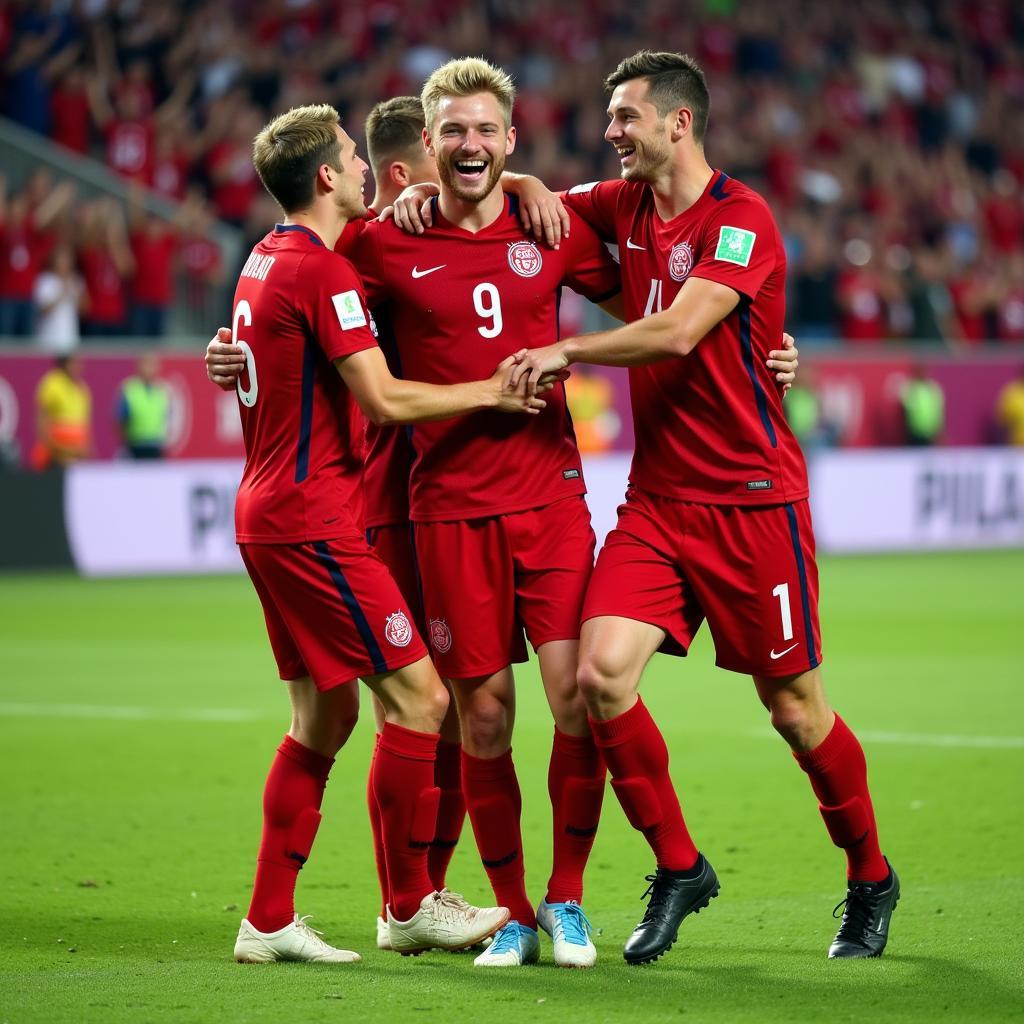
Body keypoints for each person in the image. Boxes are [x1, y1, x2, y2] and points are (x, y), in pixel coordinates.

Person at [503, 51, 898, 965]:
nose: (613, 132)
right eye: (610, 118)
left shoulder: (741, 218)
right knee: (600, 679)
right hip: (658, 503)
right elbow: (545, 210)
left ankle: (870, 877)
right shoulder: (621, 204)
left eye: (627, 117)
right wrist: (517, 173)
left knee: (796, 711)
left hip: (754, 503)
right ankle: (679, 866)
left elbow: (682, 329)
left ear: (679, 123)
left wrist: (570, 351)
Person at [226, 102, 538, 964]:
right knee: (422, 699)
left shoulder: (264, 259)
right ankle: (409, 903)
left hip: (265, 512)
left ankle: (267, 918)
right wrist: (490, 392)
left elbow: (270, 362)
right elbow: (387, 399)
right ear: (326, 176)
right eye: (352, 162)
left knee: (321, 716)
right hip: (311, 518)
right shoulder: (319, 270)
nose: (370, 171)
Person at [32, 353, 91, 469]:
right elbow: (42, 419)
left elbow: (85, 424)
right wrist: (52, 449)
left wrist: (85, 451)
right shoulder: (52, 384)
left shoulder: (82, 388)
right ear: (65, 364)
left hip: (77, 456)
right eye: (74, 363)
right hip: (55, 456)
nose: (78, 366)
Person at [117, 353, 170, 459]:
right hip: (135, 446)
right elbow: (121, 420)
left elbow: (166, 418)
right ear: (139, 367)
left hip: (156, 446)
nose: (150, 369)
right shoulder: (130, 389)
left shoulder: (162, 391)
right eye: (146, 365)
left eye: (152, 365)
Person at [899, 365, 945, 446]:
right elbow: (905, 409)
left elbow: (938, 410)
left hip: (930, 432)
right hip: (914, 433)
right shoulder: (911, 387)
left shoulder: (932, 388)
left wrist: (939, 431)